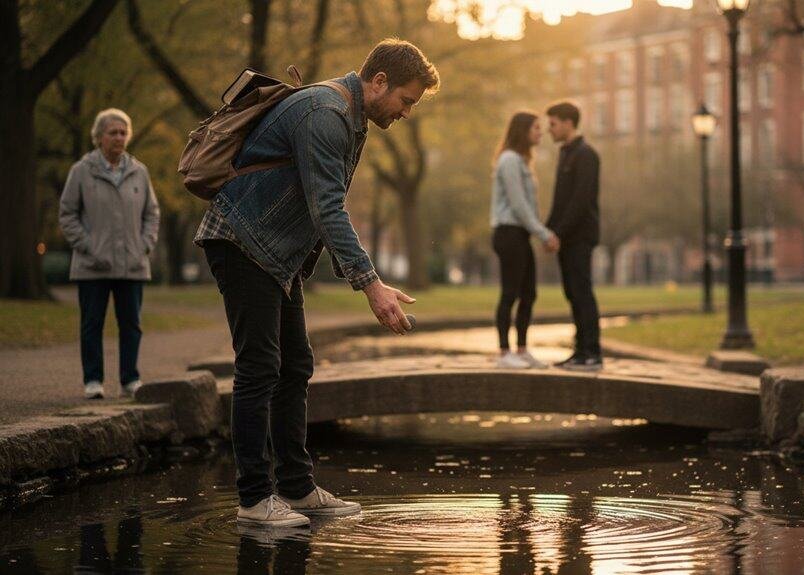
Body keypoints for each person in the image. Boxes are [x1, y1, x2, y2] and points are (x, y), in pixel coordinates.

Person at [193, 39, 440, 526]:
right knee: (260, 367)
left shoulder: (351, 115)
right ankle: (254, 500)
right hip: (243, 241)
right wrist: (371, 284)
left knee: (295, 365)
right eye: (406, 100)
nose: (406, 112)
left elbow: (319, 206)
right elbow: (327, 208)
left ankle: (297, 488)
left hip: (276, 255)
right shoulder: (325, 113)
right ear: (379, 81)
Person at [59, 108, 160, 401]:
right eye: (113, 132)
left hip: (133, 264)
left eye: (123, 132)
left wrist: (144, 245)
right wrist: (89, 247)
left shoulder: (139, 171)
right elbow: (67, 214)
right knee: (92, 324)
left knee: (132, 324)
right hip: (93, 265)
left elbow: (151, 214)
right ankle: (93, 380)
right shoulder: (81, 170)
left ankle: (130, 379)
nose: (119, 137)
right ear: (99, 137)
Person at [490, 111, 560, 369]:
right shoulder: (509, 160)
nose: (540, 133)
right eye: (536, 128)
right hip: (508, 232)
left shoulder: (521, 161)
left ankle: (521, 349)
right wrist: (544, 233)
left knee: (528, 293)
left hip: (520, 234)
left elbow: (526, 207)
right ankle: (504, 353)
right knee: (510, 293)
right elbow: (519, 205)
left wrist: (536, 232)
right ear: (522, 131)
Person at [544, 101, 603, 371]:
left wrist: (558, 232)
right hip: (567, 236)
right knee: (572, 293)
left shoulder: (586, 155)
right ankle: (581, 351)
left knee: (582, 292)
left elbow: (580, 201)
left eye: (553, 123)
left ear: (568, 122)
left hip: (580, 236)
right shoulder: (566, 153)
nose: (549, 129)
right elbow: (560, 201)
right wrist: (548, 231)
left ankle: (592, 353)